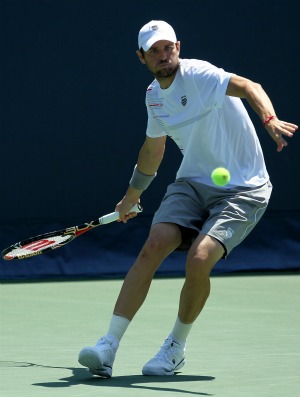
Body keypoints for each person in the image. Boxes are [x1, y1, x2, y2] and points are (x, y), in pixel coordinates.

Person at [78, 20, 298, 377]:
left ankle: (175, 348)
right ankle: (108, 345)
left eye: (169, 48)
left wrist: (269, 118)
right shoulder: (153, 97)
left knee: (199, 259)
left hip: (245, 189)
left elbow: (248, 86)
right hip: (194, 183)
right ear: (142, 57)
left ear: (178, 47)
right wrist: (130, 197)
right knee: (154, 245)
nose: (164, 56)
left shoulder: (200, 75)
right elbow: (153, 150)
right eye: (155, 51)